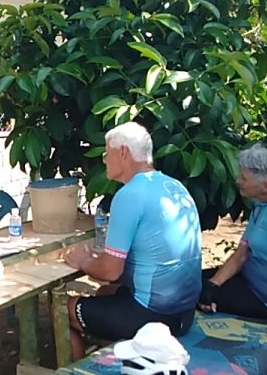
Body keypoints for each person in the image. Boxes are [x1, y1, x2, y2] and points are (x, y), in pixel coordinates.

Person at [64, 122, 202, 360]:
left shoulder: (129, 195)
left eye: (108, 153)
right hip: (184, 316)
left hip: (153, 317)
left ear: (124, 152)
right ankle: (116, 360)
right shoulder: (173, 186)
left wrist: (83, 261)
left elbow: (110, 270)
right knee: (105, 293)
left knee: (64, 310)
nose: (105, 160)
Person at [198, 144, 267, 332]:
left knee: (188, 291)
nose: (238, 181)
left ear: (265, 185)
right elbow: (241, 254)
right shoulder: (261, 204)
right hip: (246, 280)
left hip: (263, 298)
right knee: (193, 281)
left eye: (244, 178)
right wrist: (212, 286)